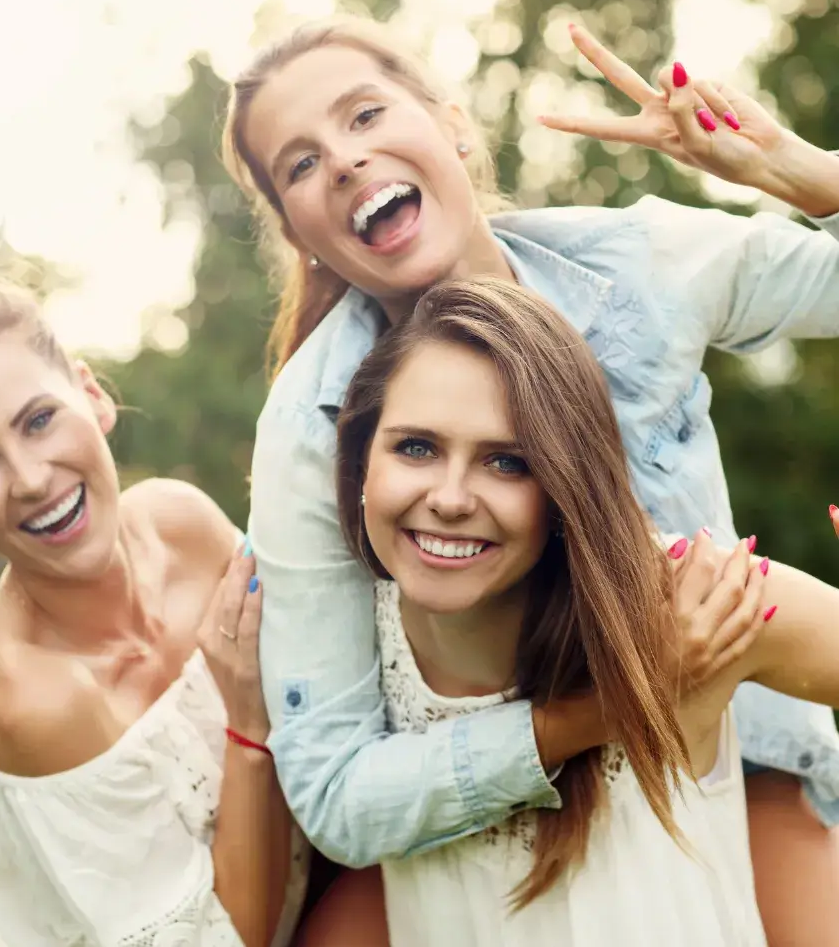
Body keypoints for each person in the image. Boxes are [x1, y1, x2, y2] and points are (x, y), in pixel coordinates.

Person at [223, 16, 839, 943]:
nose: (344, 162)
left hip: (727, 739)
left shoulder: (640, 267)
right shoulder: (310, 429)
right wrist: (608, 706)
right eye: (300, 165)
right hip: (497, 802)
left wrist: (797, 172)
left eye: (364, 116)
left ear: (455, 126)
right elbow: (338, 789)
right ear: (297, 231)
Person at [332, 274, 839, 945]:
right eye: (416, 447)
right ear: (361, 461)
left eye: (507, 462)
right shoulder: (336, 650)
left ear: (566, 483)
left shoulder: (681, 607)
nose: (451, 497)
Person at [0, 227, 309, 947]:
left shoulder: (184, 524)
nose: (30, 479)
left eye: (38, 420)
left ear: (91, 395)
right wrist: (249, 733)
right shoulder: (24, 697)